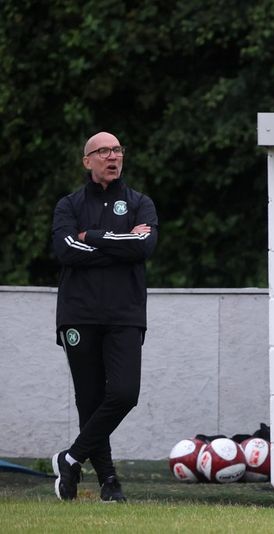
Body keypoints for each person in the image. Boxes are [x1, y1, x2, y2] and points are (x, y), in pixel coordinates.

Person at [51, 132, 158, 501]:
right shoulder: (69, 205)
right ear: (88, 161)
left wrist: (93, 236)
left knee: (125, 393)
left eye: (117, 150)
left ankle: (70, 458)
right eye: (104, 151)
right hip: (79, 313)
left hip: (125, 313)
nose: (113, 156)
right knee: (89, 399)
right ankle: (108, 481)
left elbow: (144, 246)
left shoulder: (140, 203)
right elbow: (66, 250)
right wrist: (119, 243)